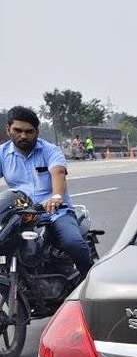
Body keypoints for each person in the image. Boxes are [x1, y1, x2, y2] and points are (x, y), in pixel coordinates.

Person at [0, 107, 92, 276]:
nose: (23, 136)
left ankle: (92, 283)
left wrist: (56, 197)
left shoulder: (50, 150)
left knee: (73, 243)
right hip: (20, 214)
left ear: (37, 131)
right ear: (8, 129)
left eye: (29, 131)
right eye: (17, 130)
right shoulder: (2, 154)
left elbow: (58, 173)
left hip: (54, 211)